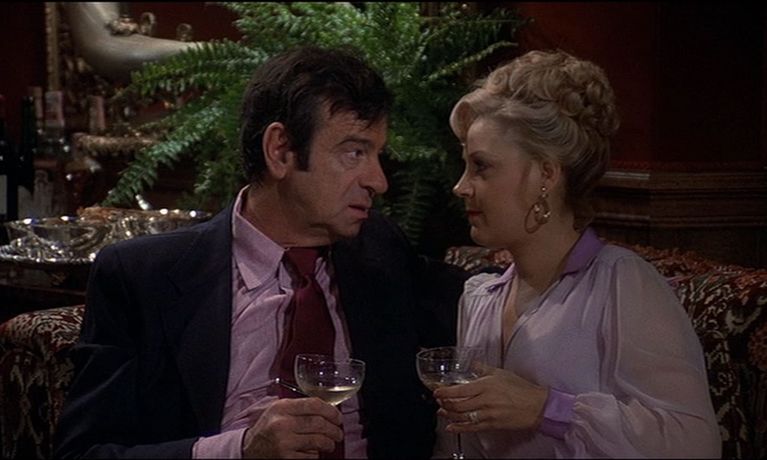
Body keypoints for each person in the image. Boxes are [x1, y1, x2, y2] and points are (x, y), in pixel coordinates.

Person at [53, 45, 467, 459]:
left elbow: (481, 306)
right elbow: (83, 454)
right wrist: (241, 449)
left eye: (377, 155)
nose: (378, 181)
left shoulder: (380, 250)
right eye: (354, 152)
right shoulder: (144, 277)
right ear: (281, 150)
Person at [430, 49, 721, 458]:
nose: (461, 187)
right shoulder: (480, 299)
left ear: (545, 175)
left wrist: (546, 409)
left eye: (481, 167)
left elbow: (694, 443)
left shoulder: (622, 286)